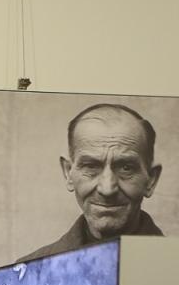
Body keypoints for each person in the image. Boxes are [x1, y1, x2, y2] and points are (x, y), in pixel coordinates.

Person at [21, 103, 164, 262]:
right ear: (68, 173)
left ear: (151, 180)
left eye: (126, 168)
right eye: (90, 166)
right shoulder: (30, 273)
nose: (107, 189)